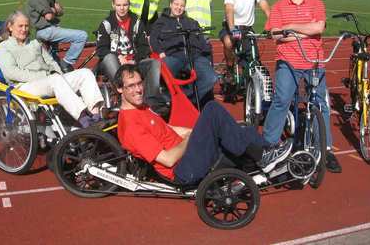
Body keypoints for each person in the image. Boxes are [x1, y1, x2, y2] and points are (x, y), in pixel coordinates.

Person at [115, 64, 293, 184]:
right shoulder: (132, 126)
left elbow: (165, 129)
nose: (138, 89)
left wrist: (195, 131)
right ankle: (266, 159)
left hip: (187, 155)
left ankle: (270, 156)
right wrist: (191, 137)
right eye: (130, 86)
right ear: (119, 89)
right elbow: (168, 160)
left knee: (241, 129)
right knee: (212, 109)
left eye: (139, 84)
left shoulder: (141, 108)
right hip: (182, 169)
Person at [263, 0, 342, 173]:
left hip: (314, 61)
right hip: (287, 61)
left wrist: (292, 27)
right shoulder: (279, 6)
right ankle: (268, 145)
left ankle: (325, 149)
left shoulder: (316, 3)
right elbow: (275, 34)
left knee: (320, 104)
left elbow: (319, 27)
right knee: (281, 101)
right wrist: (306, 30)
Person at [0, 11, 104, 128]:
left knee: (85, 73)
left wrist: (58, 73)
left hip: (49, 81)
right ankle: (84, 118)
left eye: (26, 26)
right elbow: (11, 73)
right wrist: (43, 76)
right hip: (23, 86)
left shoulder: (34, 43)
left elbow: (51, 62)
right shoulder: (4, 48)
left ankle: (95, 116)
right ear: (10, 27)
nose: (24, 29)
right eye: (20, 26)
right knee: (55, 80)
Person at [96, 0, 161, 108]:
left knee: (154, 63)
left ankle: (152, 102)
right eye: (119, 5)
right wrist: (118, 56)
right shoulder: (106, 24)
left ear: (129, 5)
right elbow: (101, 49)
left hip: (134, 62)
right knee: (110, 58)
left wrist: (135, 60)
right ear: (113, 5)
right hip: (115, 64)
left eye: (125, 5)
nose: (122, 8)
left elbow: (144, 47)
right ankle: (123, 98)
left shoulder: (137, 22)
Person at [150, 0, 217, 105]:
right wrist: (160, 52)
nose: (178, 8)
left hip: (194, 57)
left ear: (184, 7)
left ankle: (187, 100)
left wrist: (204, 53)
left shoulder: (191, 22)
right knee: (164, 74)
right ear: (171, 4)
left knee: (211, 78)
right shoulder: (161, 22)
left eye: (181, 5)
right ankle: (167, 100)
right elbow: (153, 39)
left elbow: (201, 39)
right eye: (176, 4)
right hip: (173, 56)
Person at [26, 0, 87, 73]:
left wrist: (55, 10)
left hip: (50, 28)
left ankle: (55, 72)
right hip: (45, 30)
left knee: (52, 62)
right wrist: (54, 10)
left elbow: (60, 11)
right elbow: (49, 15)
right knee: (82, 36)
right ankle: (67, 62)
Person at [219, 0, 270, 67]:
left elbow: (264, 6)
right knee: (228, 42)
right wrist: (233, 29)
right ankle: (229, 68)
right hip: (230, 26)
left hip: (247, 28)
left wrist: (272, 24)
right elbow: (229, 10)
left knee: (253, 57)